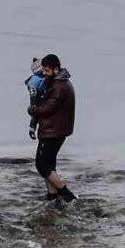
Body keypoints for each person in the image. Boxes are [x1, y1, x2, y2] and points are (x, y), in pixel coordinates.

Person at [27, 54, 78, 204]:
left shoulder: (58, 87)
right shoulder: (61, 82)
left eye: (47, 70)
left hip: (52, 131)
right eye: (43, 69)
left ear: (56, 69)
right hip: (58, 130)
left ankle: (67, 195)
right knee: (49, 165)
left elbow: (46, 108)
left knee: (42, 166)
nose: (44, 73)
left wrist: (32, 110)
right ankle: (52, 196)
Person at [24, 57, 49, 140]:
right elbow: (32, 92)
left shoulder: (42, 77)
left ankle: (35, 130)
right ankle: (32, 130)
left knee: (38, 117)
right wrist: (33, 103)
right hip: (38, 100)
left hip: (43, 99)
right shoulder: (35, 79)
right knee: (36, 117)